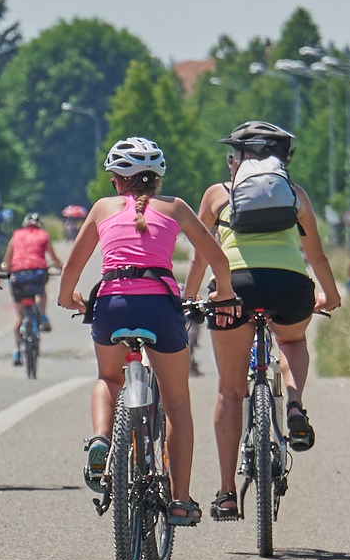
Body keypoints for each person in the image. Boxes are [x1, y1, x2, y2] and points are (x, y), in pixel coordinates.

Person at [56, 137, 234, 527]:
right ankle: (181, 501)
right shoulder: (176, 208)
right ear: (157, 180)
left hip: (112, 305)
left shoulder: (103, 208)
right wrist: (223, 290)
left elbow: (74, 264)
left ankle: (102, 439)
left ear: (117, 181)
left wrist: (69, 296)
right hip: (160, 309)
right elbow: (215, 256)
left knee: (108, 376)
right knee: (177, 405)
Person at [184, 120, 344, 522]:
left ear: (235, 159)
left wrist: (188, 299)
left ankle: (225, 493)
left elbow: (200, 256)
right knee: (291, 342)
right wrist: (331, 294)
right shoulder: (295, 195)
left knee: (229, 391)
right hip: (290, 286)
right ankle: (293, 405)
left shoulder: (217, 195)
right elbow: (317, 256)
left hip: (234, 289)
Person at [2, 211, 63, 362]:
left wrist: (4, 269)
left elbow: (7, 261)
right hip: (37, 273)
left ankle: (16, 350)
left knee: (19, 314)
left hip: (18, 275)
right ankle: (42, 315)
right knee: (41, 291)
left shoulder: (16, 235)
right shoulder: (43, 235)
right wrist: (61, 267)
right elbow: (53, 258)